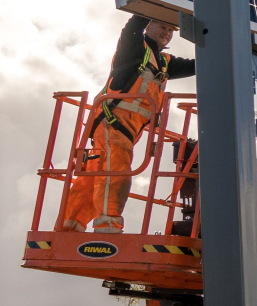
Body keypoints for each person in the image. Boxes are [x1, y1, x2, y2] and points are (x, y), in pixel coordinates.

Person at [57, 15, 195, 233]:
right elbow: (131, 28)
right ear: (148, 27)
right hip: (112, 122)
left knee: (94, 174)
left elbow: (197, 65)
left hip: (128, 130)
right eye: (163, 26)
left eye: (171, 30)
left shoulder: (164, 62)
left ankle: (69, 228)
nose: (167, 33)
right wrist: (147, 8)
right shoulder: (133, 50)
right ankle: (107, 227)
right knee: (115, 171)